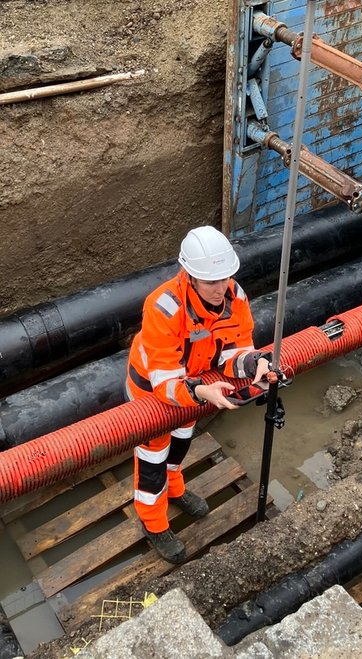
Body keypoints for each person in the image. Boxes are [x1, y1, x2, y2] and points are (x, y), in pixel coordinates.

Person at [126, 226, 270, 564]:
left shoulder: (235, 296)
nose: (222, 288)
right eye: (212, 281)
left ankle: (175, 488)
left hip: (195, 382)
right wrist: (200, 390)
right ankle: (154, 521)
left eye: (226, 277)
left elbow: (235, 348)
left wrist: (254, 363)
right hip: (153, 390)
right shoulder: (164, 308)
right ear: (190, 277)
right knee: (152, 457)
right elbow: (165, 382)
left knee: (182, 439)